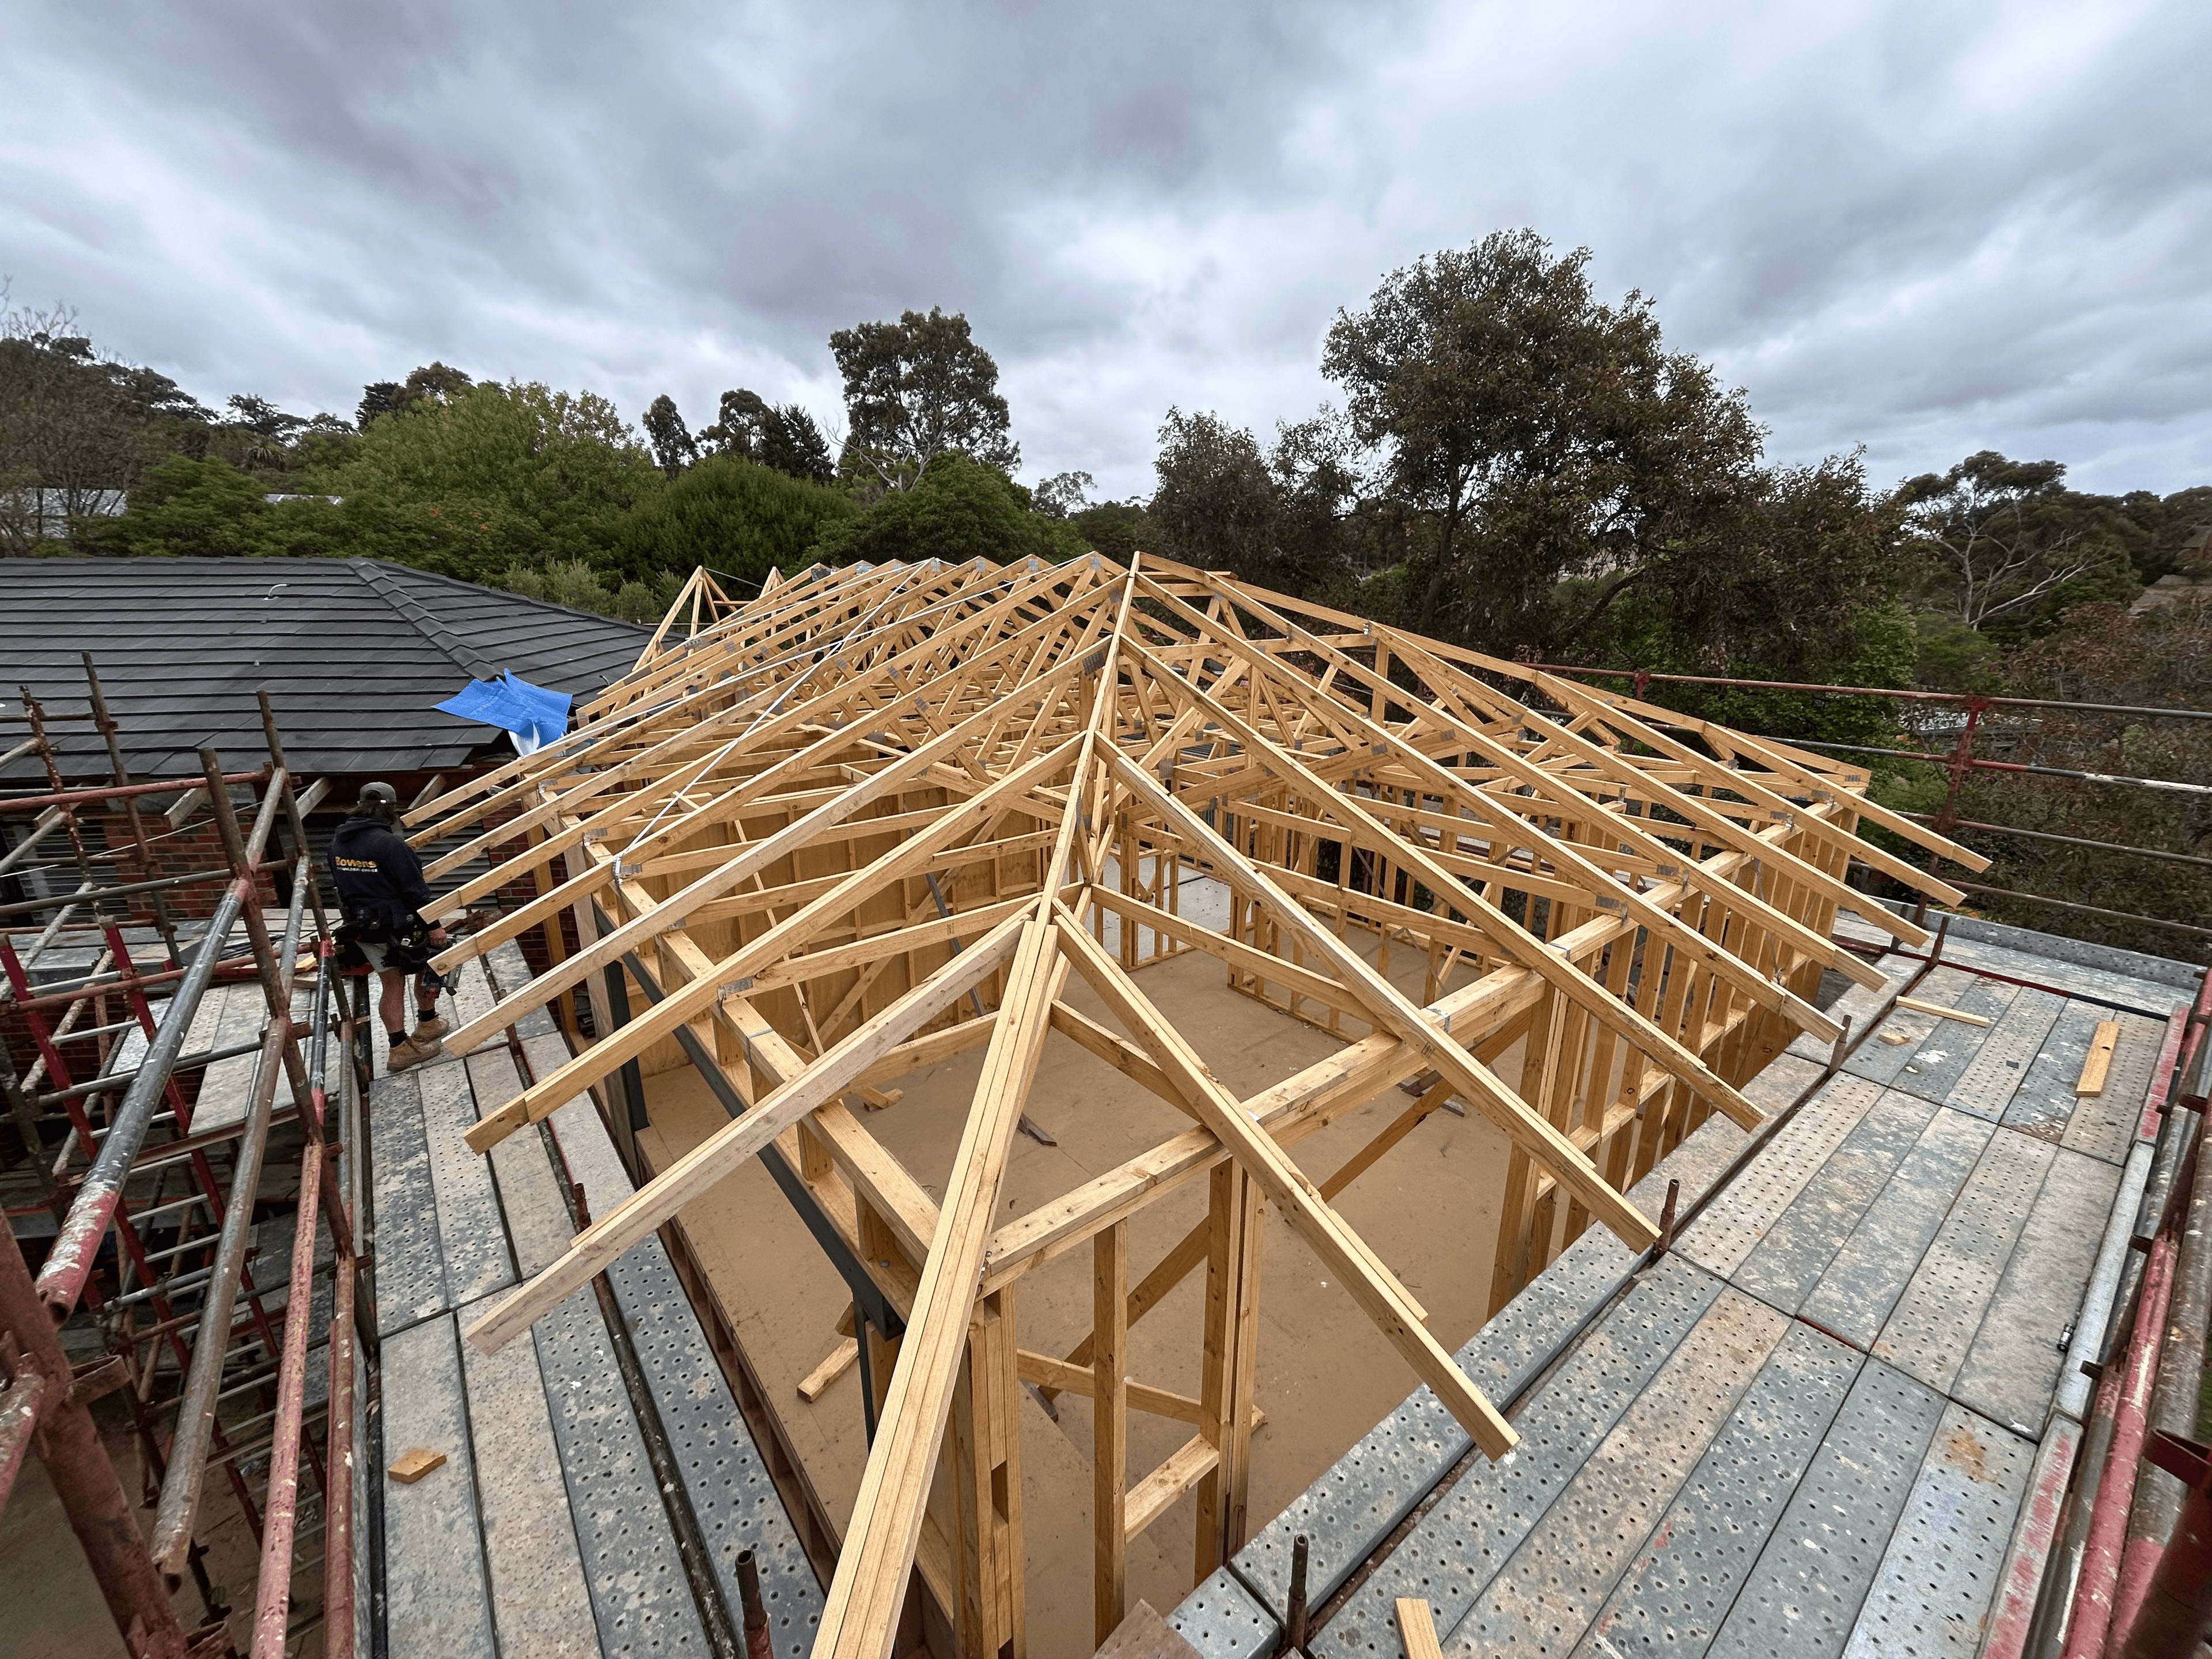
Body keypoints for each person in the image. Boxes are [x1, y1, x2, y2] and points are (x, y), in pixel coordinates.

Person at [329, 782, 450, 1073]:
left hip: (362, 925)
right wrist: (434, 926)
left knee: (391, 982)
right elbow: (415, 892)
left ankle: (421, 1028)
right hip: (398, 925)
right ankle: (406, 1043)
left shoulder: (338, 843)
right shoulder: (390, 845)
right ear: (391, 810)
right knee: (426, 967)